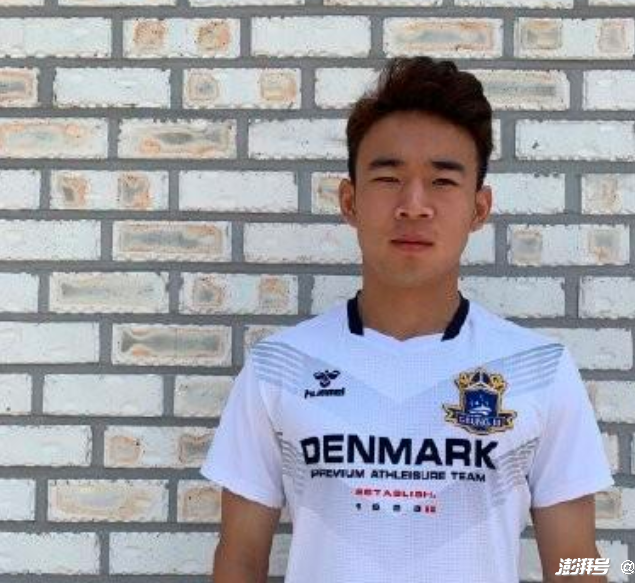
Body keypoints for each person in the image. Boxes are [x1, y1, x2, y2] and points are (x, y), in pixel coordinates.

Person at [200, 56, 614, 583]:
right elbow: (239, 559)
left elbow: (576, 562)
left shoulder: (540, 371)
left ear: (479, 209)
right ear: (349, 201)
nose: (414, 205)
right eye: (389, 177)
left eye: (442, 181)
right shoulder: (279, 368)